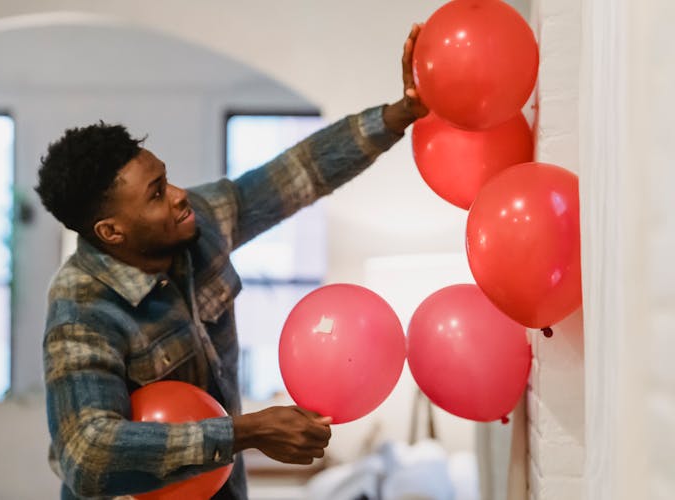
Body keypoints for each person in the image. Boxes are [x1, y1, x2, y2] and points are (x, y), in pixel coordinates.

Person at [36, 24, 428, 500]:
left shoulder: (196, 222)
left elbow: (299, 172)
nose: (182, 197)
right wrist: (245, 432)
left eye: (167, 178)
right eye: (157, 195)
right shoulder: (81, 309)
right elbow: (87, 455)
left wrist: (400, 114)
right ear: (111, 232)